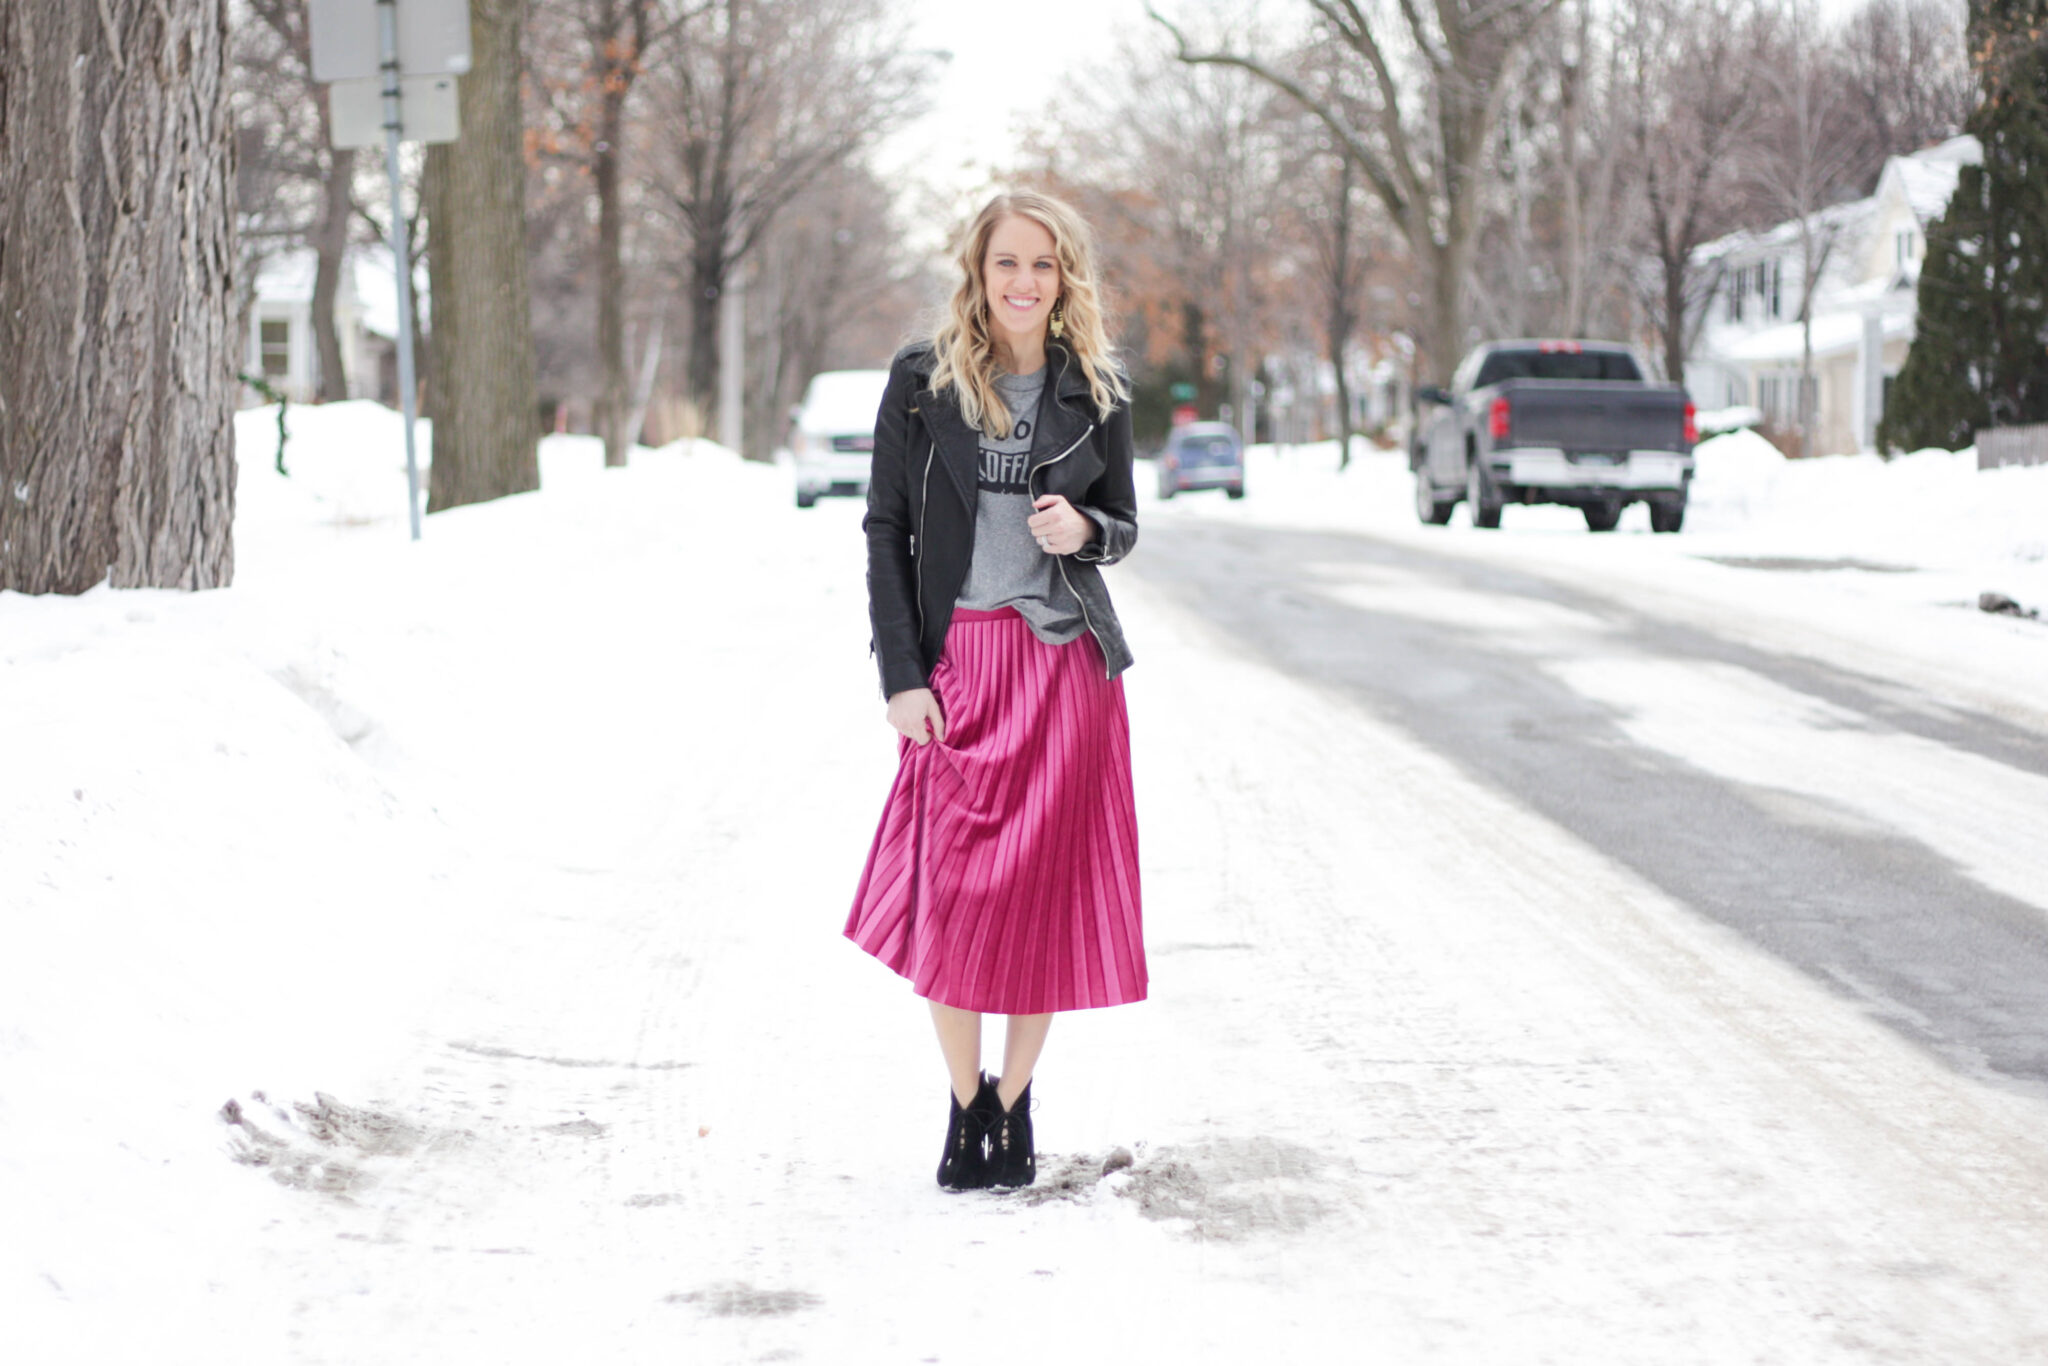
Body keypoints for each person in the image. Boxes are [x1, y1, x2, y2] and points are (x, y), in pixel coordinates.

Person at [844, 191, 1146, 1191]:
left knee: (1039, 898)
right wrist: (900, 677)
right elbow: (886, 531)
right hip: (959, 667)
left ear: (1065, 281)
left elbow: (1125, 525)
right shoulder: (921, 384)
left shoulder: (1093, 389)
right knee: (957, 895)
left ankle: (1012, 1104)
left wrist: (1086, 533)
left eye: (1043, 265)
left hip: (1062, 672)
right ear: (976, 273)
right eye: (1005, 262)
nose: (1022, 281)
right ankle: (961, 1092)